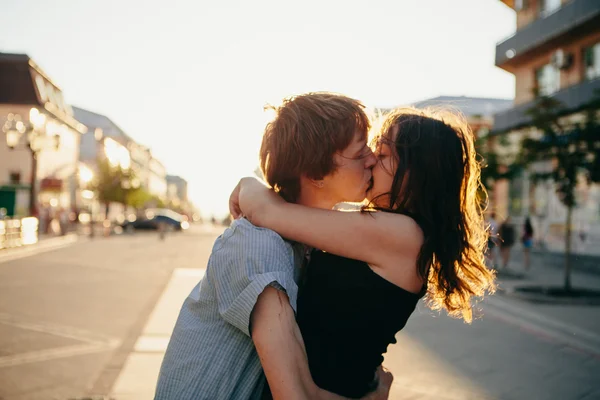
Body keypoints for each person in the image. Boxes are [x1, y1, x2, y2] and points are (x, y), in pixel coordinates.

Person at [230, 107, 497, 398]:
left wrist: (246, 183)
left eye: (382, 154)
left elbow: (267, 213)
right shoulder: (394, 230)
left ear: (417, 172)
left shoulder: (403, 234)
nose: (370, 160)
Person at [154, 92, 391, 400]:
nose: (373, 158)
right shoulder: (258, 245)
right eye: (361, 153)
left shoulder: (304, 239)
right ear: (316, 174)